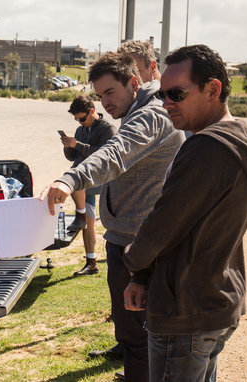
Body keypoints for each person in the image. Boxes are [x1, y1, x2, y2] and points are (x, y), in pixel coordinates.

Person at [122, 44, 247, 382]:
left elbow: (162, 225)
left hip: (185, 308)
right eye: (163, 94)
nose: (166, 104)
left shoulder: (207, 148)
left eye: (176, 94)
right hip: (214, 301)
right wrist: (143, 277)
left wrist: (133, 261)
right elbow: (188, 227)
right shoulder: (237, 142)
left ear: (213, 89)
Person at [39, 52, 185, 381]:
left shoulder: (149, 115)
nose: (104, 102)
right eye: (100, 95)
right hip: (129, 236)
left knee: (140, 339)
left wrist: (70, 178)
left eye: (110, 93)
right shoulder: (139, 111)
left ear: (134, 82)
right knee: (133, 334)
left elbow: (116, 154)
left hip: (138, 243)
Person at [61, 95, 117, 276]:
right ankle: (91, 263)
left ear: (92, 111)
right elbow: (73, 157)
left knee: (75, 186)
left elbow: (104, 155)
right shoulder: (80, 130)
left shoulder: (107, 129)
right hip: (83, 178)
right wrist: (68, 146)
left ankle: (80, 215)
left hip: (97, 179)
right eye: (77, 119)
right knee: (88, 223)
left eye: (82, 118)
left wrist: (78, 144)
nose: (80, 122)